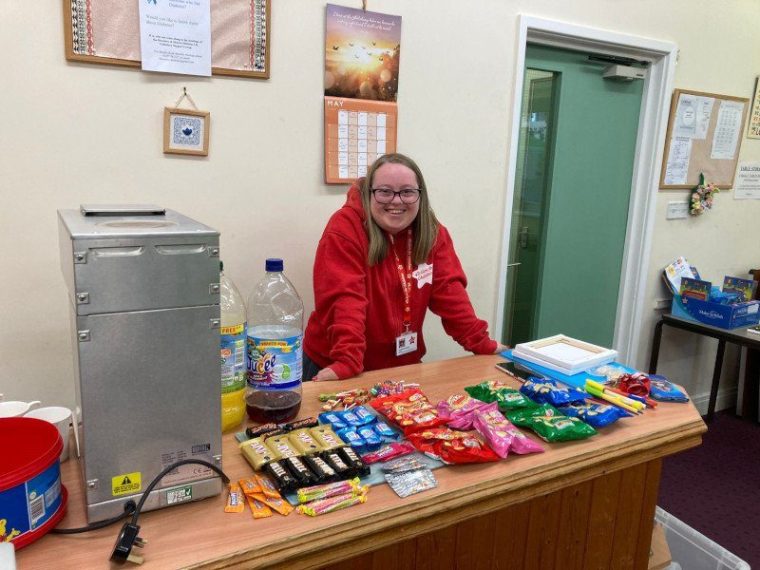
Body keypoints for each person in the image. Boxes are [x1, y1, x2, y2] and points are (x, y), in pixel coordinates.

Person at [303, 153, 507, 381]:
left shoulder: (433, 233)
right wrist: (348, 359)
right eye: (385, 191)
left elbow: (450, 293)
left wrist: (480, 341)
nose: (396, 201)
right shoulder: (345, 228)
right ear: (369, 193)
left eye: (407, 192)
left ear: (421, 196)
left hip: (401, 368)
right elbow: (344, 299)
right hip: (338, 366)